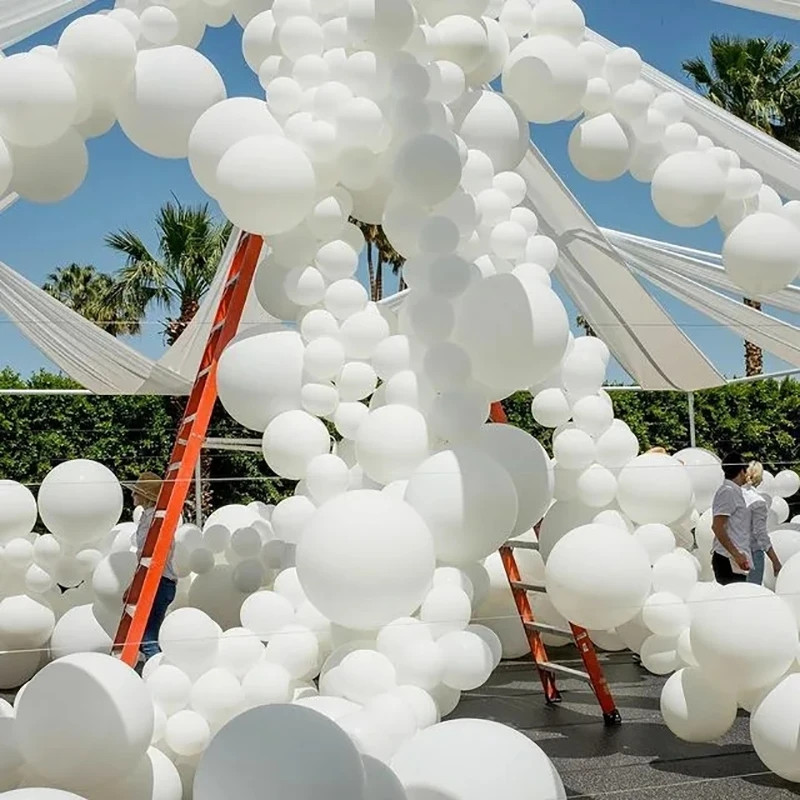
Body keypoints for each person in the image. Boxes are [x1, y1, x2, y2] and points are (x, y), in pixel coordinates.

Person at [128, 472, 177, 663]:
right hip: (157, 581)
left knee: (148, 639)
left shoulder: (154, 519)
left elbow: (150, 553)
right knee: (144, 637)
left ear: (145, 496)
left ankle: (160, 673)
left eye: (136, 493)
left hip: (159, 581)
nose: (132, 496)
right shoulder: (149, 517)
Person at [710, 452, 752, 585]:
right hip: (728, 558)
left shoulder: (734, 491)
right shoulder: (728, 491)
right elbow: (717, 526)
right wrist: (736, 554)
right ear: (741, 471)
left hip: (735, 558)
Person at [743, 461, 781, 584]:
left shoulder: (731, 496)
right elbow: (761, 535)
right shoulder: (758, 501)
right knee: (751, 595)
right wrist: (775, 560)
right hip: (752, 554)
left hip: (731, 553)